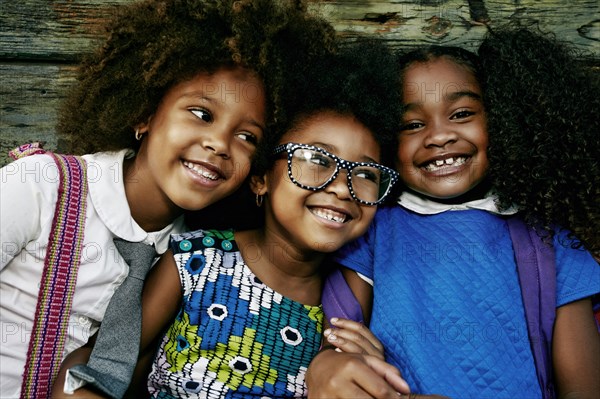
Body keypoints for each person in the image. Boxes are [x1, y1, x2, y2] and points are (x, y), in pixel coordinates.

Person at [0, 0, 338, 397]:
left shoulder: (192, 260)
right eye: (201, 113)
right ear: (145, 113)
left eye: (248, 137)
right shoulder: (41, 185)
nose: (219, 144)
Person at [56, 40, 412, 398]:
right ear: (261, 178)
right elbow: (108, 365)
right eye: (317, 159)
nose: (341, 188)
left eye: (366, 173)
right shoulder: (196, 257)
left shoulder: (345, 300)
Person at [305, 26, 600, 398]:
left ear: (504, 119)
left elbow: (584, 388)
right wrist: (329, 364)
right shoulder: (373, 229)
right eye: (412, 124)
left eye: (461, 114)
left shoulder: (549, 239)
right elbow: (340, 346)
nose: (438, 135)